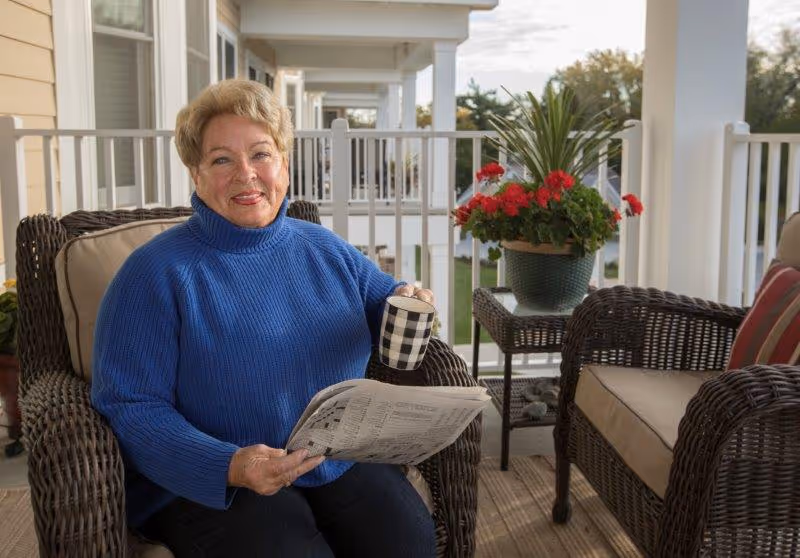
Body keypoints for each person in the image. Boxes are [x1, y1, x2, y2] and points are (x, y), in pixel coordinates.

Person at [91, 79, 436, 558]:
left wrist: (406, 296)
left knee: (410, 545)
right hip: (212, 481)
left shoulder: (323, 247)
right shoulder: (153, 274)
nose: (245, 175)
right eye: (221, 159)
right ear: (196, 174)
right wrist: (231, 464)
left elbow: (383, 304)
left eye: (260, 154)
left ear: (285, 167)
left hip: (329, 458)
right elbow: (129, 404)